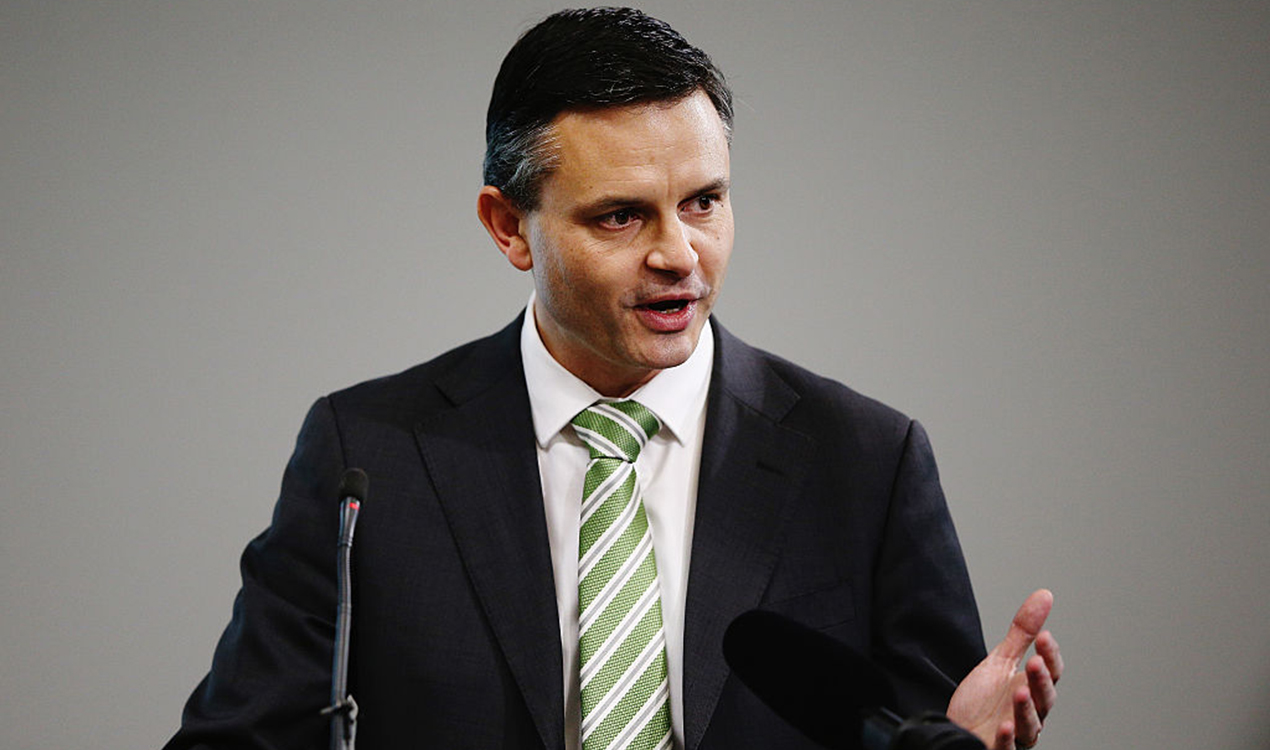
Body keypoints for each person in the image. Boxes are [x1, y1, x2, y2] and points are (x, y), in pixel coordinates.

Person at [165, 8, 1061, 750]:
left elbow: (925, 737)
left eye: (703, 201)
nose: (680, 254)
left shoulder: (868, 461)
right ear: (509, 227)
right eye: (622, 216)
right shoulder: (369, 457)